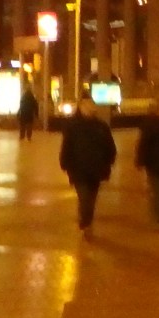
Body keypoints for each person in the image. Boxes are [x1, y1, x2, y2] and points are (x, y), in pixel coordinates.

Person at [57, 96, 117, 240]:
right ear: (81, 107)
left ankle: (86, 220)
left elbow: (110, 146)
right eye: (87, 105)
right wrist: (65, 163)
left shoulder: (101, 126)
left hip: (97, 169)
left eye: (92, 105)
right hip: (79, 169)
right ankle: (86, 224)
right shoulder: (73, 126)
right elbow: (67, 146)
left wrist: (109, 161)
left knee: (92, 199)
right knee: (84, 198)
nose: (91, 108)